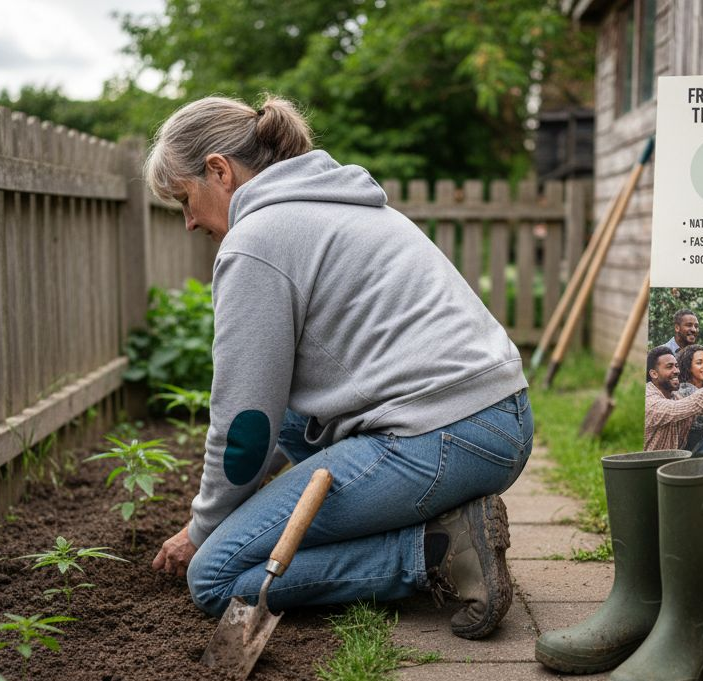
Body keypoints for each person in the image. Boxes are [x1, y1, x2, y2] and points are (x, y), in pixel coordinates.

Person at [145, 95, 533, 639]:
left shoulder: (255, 242)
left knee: (215, 575)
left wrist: (204, 529)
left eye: (185, 199)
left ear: (219, 170)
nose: (188, 222)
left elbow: (245, 427)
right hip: (502, 419)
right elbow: (281, 420)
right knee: (294, 435)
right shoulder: (345, 204)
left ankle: (437, 552)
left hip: (437, 437)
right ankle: (440, 527)